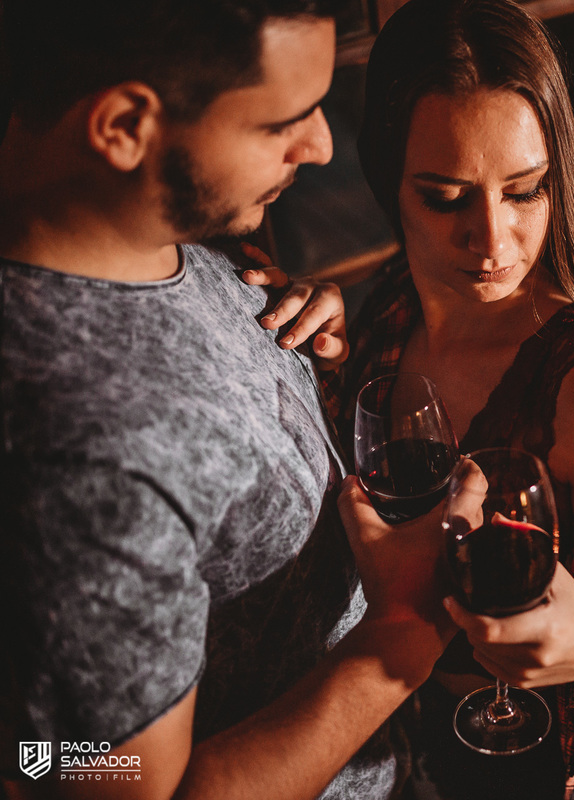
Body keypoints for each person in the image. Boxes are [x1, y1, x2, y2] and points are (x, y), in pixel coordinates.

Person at [0, 2, 452, 798]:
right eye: (283, 121)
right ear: (123, 126)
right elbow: (102, 780)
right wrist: (400, 637)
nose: (320, 146)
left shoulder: (149, 224)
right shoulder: (82, 454)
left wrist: (293, 353)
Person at [329, 1, 574, 797]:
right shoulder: (387, 319)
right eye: (445, 198)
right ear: (387, 179)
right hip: (416, 752)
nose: (494, 241)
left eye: (525, 191)